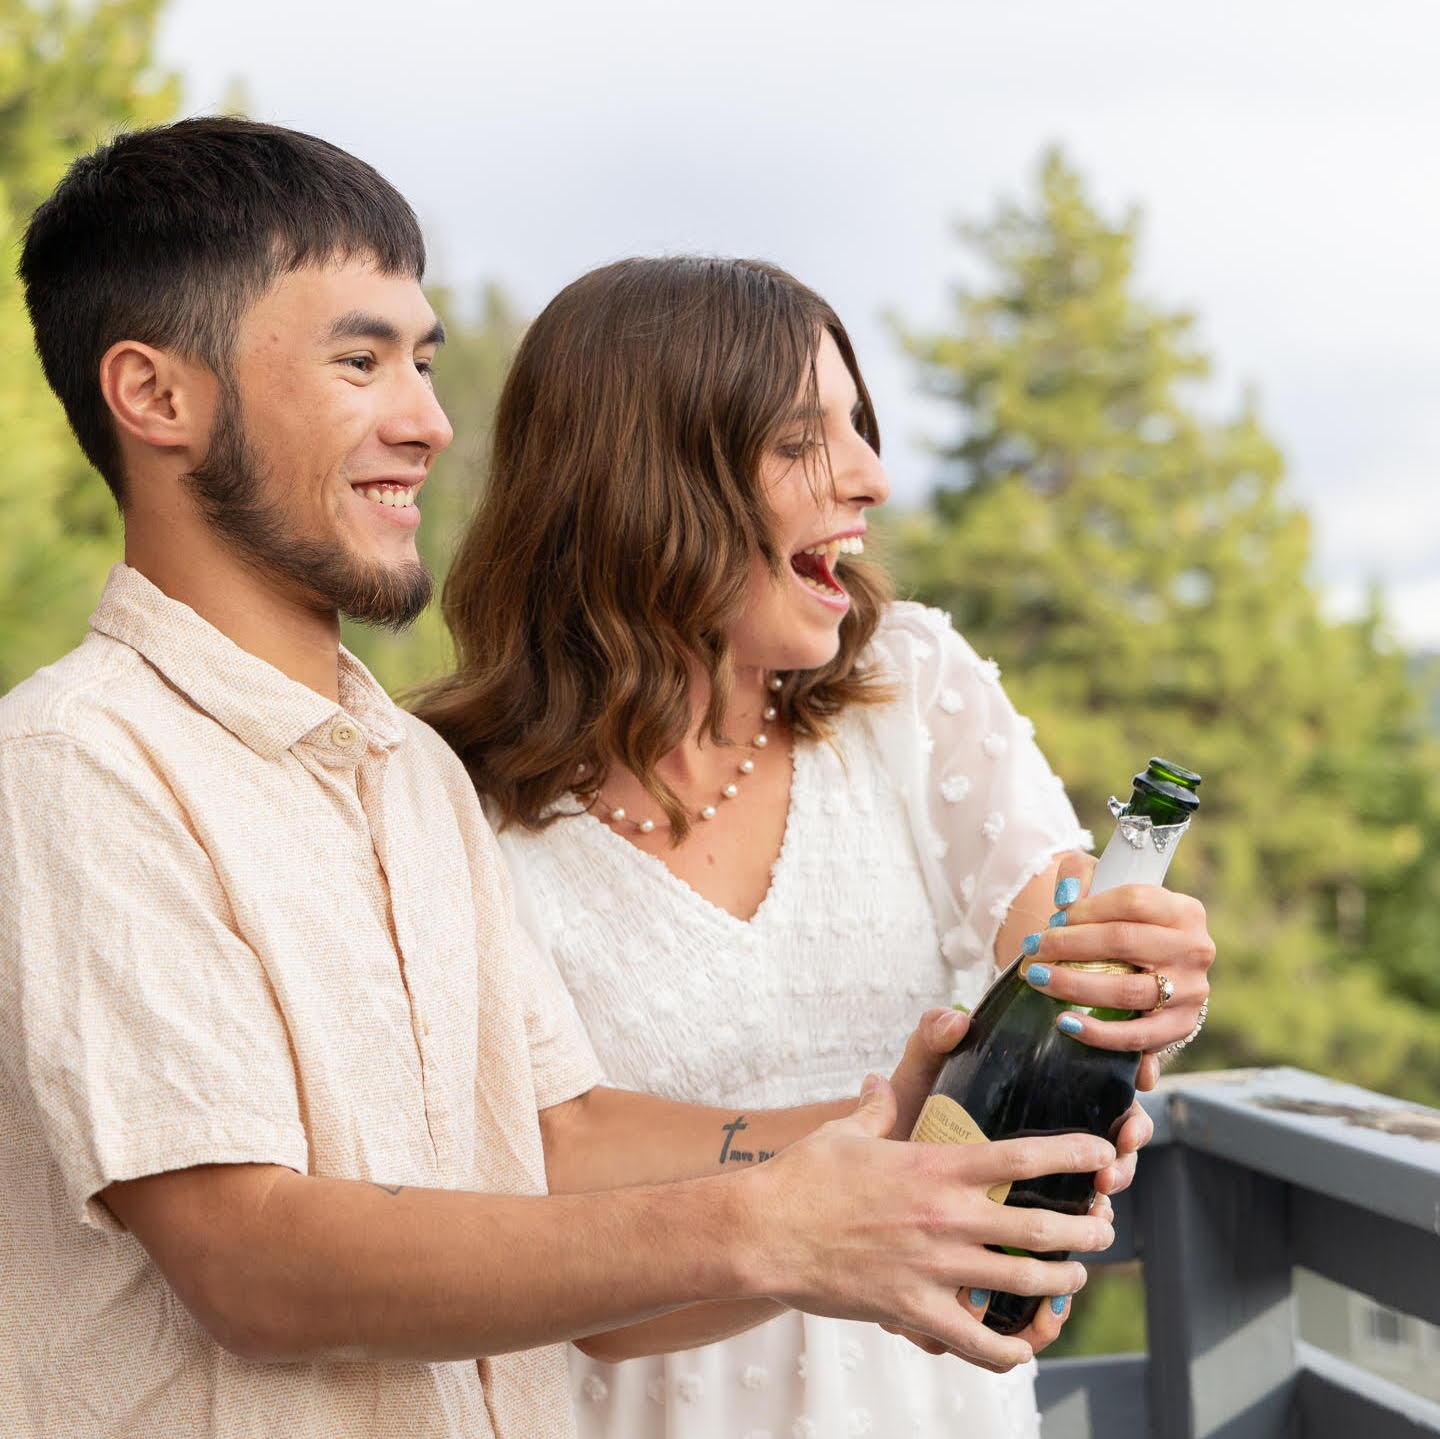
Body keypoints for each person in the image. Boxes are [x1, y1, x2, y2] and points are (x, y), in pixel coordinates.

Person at [0, 120, 1125, 1439]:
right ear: (156, 396)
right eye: (360, 360)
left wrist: (869, 1137)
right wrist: (769, 1221)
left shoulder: (408, 774)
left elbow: (563, 1145)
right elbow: (251, 1257)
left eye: (422, 362)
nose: (427, 421)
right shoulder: (82, 764)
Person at [418, 256, 1216, 1438]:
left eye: (859, 427)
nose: (871, 477)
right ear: (644, 482)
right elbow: (539, 1166)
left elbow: (1064, 931)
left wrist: (1148, 975)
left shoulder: (914, 686)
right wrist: (876, 1137)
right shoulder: (450, 805)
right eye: (801, 442)